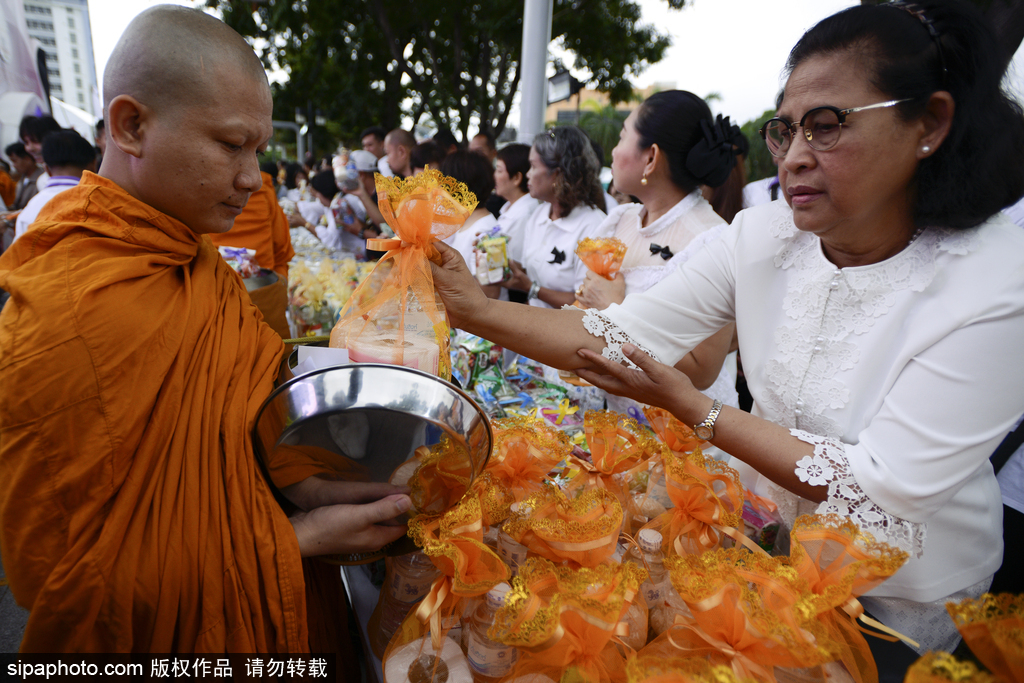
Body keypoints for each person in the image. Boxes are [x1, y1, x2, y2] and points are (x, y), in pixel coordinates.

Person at [426, 1, 1024, 674]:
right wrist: (476, 312)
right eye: (785, 130)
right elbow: (618, 332)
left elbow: (885, 485)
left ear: (929, 123)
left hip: (905, 597)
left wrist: (698, 410)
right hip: (773, 547)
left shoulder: (997, 278)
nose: (795, 158)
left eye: (827, 126)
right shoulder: (763, 236)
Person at [0, 5, 410, 654]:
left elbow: (249, 421)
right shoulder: (63, 314)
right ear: (130, 126)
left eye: (257, 148)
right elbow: (70, 588)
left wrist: (314, 487)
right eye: (230, 144)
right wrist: (297, 539)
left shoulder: (197, 263)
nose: (251, 177)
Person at [575, 92, 741, 414]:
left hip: (680, 430)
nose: (614, 150)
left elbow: (703, 372)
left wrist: (614, 309)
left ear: (650, 157)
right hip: (617, 418)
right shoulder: (619, 220)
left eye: (622, 136)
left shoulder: (713, 241)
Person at [501, 126, 608, 308]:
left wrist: (532, 289)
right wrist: (498, 260)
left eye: (533, 166)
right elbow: (530, 272)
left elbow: (586, 302)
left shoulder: (593, 226)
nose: (528, 174)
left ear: (557, 174)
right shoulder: (539, 214)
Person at [208, 158, 295, 339]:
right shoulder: (262, 190)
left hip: (261, 302)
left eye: (258, 152)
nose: (253, 179)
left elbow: (281, 253)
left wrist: (274, 293)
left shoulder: (263, 191)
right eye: (232, 147)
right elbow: (282, 253)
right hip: (217, 306)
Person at [439, 150, 501, 299]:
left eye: (444, 184)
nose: (439, 191)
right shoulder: (468, 223)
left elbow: (491, 292)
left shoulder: (486, 232)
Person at [14, 130, 96, 241]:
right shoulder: (101, 200)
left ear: (46, 169)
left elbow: (18, 249)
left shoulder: (30, 209)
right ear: (93, 164)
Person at [492, 142, 539, 265]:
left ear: (516, 178)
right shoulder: (510, 208)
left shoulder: (524, 214)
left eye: (499, 170)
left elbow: (515, 264)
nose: (494, 176)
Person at [3, 142, 42, 211]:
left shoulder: (41, 179)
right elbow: (17, 206)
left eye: (14, 161)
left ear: (27, 159)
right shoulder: (22, 178)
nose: (14, 165)